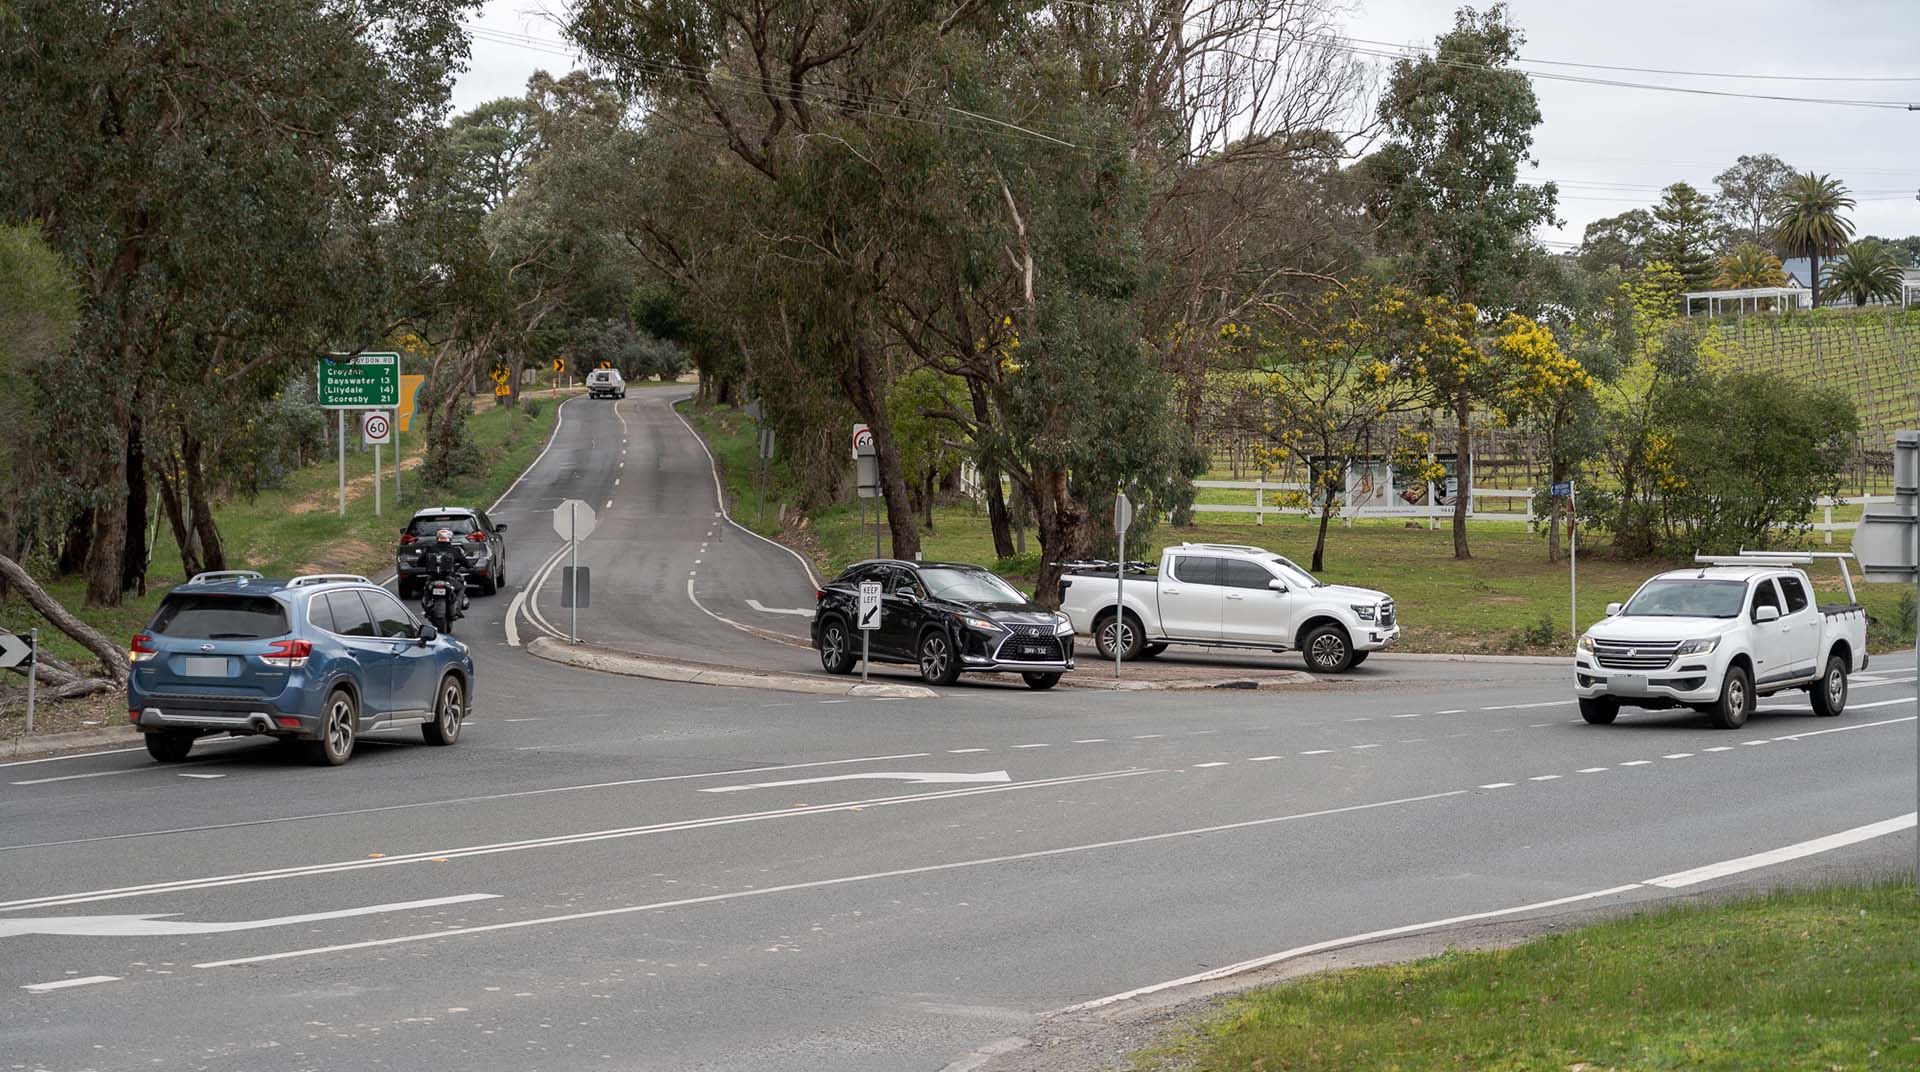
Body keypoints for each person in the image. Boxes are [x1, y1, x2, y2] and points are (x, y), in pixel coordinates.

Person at [420, 528, 470, 613]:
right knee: (461, 587)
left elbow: (419, 562)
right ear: (450, 538)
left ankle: (427, 605)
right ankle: (457, 607)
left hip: (433, 579)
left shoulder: (430, 549)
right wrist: (470, 565)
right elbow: (466, 563)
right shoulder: (455, 550)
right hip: (449, 579)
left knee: (426, 589)